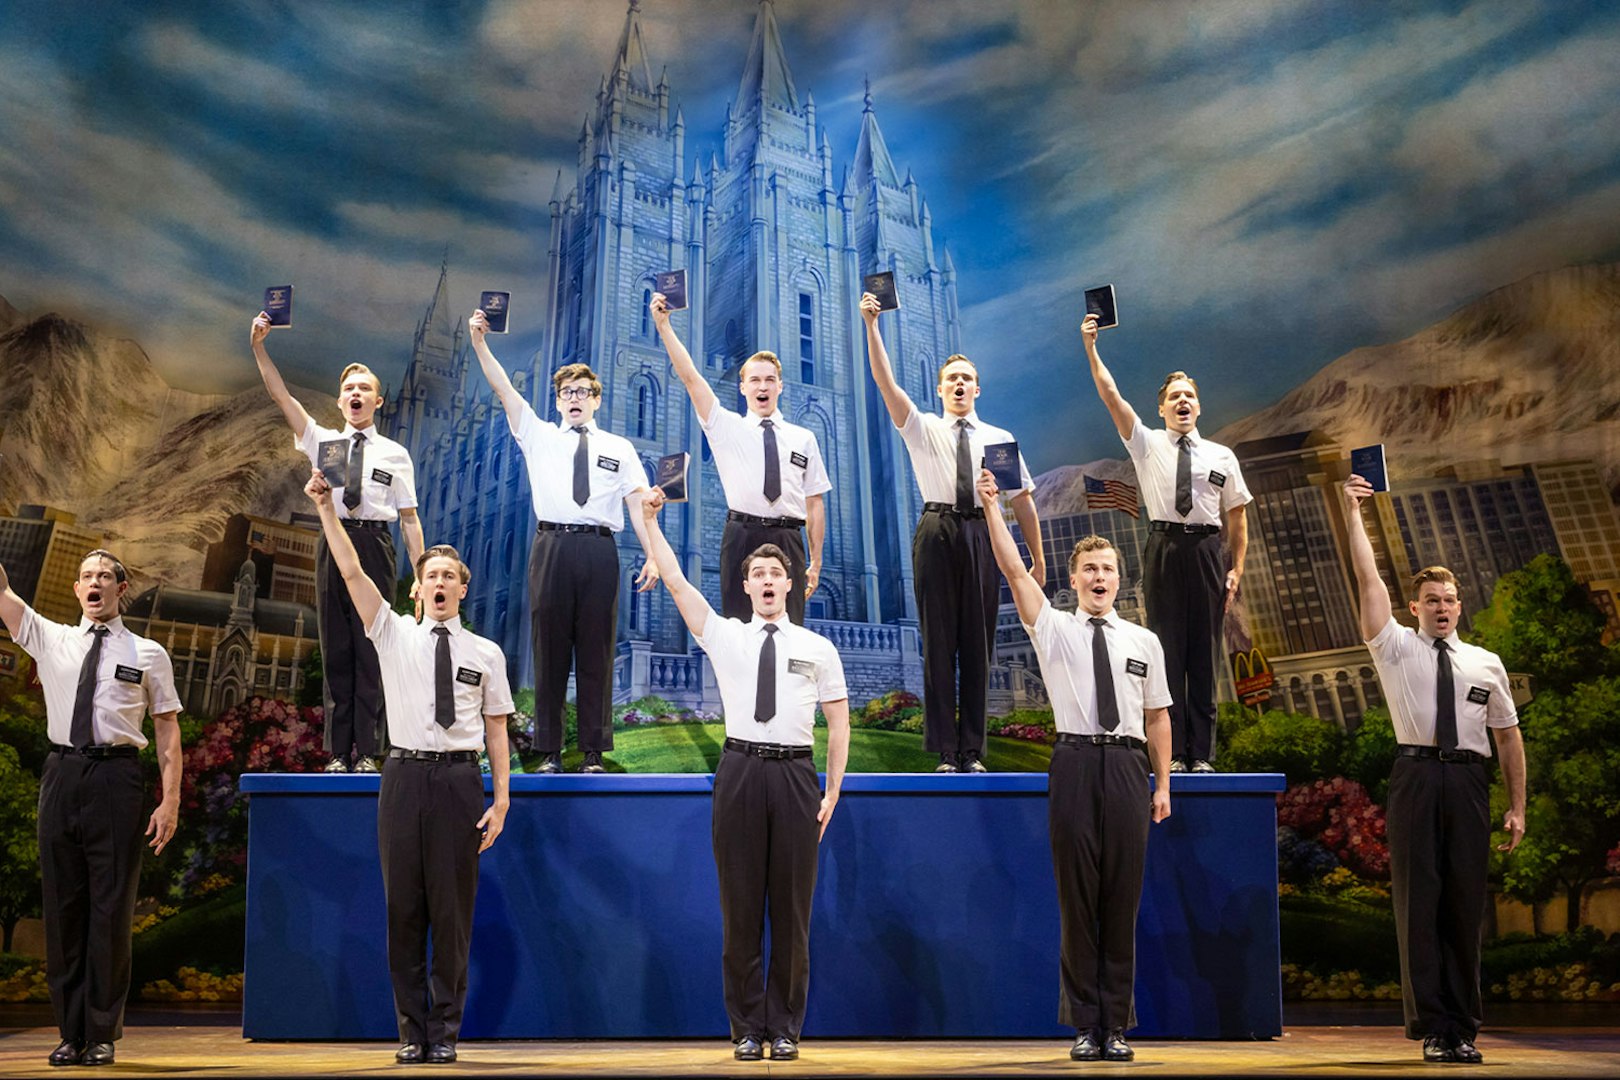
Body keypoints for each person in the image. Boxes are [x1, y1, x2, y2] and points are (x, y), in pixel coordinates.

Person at [304, 469, 512, 1066]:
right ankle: (410, 1031)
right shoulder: (391, 632)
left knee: (452, 914)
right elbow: (350, 572)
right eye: (430, 576)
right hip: (402, 778)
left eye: (450, 576)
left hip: (457, 781)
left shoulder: (486, 654)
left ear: (463, 590)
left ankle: (444, 1032)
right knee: (404, 910)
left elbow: (496, 728)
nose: (440, 582)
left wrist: (500, 800)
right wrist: (325, 511)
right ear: (416, 590)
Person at [639, 490, 850, 1061]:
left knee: (791, 912)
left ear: (789, 584)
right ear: (747, 586)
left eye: (775, 573)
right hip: (739, 771)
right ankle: (747, 1029)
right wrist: (649, 526)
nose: (765, 581)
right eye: (756, 574)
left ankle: (784, 1026)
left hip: (795, 777)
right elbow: (680, 583)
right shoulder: (725, 634)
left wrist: (832, 789)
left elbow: (838, 718)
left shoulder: (817, 647)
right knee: (739, 909)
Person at [978, 469, 1172, 1062]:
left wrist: (1162, 784)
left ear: (1119, 579)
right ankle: (1085, 1024)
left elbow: (1159, 718)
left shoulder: (1145, 642)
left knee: (1121, 896)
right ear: (1073, 579)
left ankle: (1116, 1024)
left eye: (1108, 569)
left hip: (1126, 769)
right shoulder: (1054, 628)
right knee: (1079, 898)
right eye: (1089, 569)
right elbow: (1014, 570)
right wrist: (993, 508)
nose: (1099, 578)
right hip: (1074, 763)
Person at [1341, 473, 1526, 1065]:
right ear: (1414, 608)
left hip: (1470, 782)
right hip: (1417, 777)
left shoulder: (1485, 662)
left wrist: (1517, 806)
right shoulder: (1394, 646)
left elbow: (1508, 736)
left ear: (1458, 605)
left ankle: (1464, 1026)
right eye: (1432, 601)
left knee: (1464, 904)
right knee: (1419, 904)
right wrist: (1354, 512)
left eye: (1450, 600)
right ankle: (1432, 1027)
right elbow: (1369, 578)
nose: (1442, 608)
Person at [0, 550, 181, 1067]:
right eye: (86, 577)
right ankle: (70, 1032)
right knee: (64, 909)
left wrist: (169, 801)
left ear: (121, 588)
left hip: (118, 778)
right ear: (77, 591)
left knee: (110, 910)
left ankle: (101, 1032)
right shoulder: (48, 636)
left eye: (104, 575)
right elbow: (2, 591)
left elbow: (167, 732)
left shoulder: (148, 653)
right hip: (62, 775)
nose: (94, 582)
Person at [467, 310, 659, 774]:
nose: (574, 399)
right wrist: (479, 343)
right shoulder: (538, 435)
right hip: (551, 547)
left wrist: (652, 552)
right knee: (550, 649)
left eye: (582, 392)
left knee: (596, 650)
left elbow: (638, 505)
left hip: (599, 550)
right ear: (556, 401)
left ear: (596, 399)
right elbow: (502, 389)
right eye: (566, 392)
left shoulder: (620, 448)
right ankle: (548, 750)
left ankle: (592, 751)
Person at [860, 291, 1044, 772]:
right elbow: (884, 383)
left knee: (979, 643)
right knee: (939, 642)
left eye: (967, 379)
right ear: (940, 390)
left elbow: (1022, 500)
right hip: (937, 530)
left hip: (985, 532)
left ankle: (973, 750)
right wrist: (872, 327)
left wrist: (1037, 561)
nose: (959, 385)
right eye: (951, 380)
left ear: (977, 389)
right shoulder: (923, 429)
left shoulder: (999, 440)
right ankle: (945, 751)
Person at [251, 312, 425, 772]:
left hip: (375, 547)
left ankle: (369, 751)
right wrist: (259, 348)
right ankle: (338, 752)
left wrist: (422, 574)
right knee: (337, 648)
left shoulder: (396, 454)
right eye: (349, 388)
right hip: (332, 542)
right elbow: (281, 396)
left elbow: (409, 519)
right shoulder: (324, 442)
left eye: (364, 388)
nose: (355, 394)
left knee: (372, 647)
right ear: (339, 399)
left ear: (378, 400)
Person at [1083, 314, 1249, 773]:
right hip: (1163, 550)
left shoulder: (1222, 456)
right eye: (1174, 396)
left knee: (1205, 655)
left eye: (1189, 396)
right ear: (1161, 409)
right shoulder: (1147, 443)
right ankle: (1173, 754)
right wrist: (1092, 347)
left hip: (1207, 553)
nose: (1183, 401)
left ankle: (1203, 755)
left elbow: (1237, 516)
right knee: (1166, 652)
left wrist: (1235, 569)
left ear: (1199, 408)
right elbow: (1111, 396)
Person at [650, 291, 831, 624]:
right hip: (741, 536)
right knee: (739, 634)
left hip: (789, 539)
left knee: (788, 633)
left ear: (780, 387)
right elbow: (691, 377)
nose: (763, 387)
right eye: (755, 380)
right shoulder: (725, 427)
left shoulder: (804, 438)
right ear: (743, 387)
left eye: (770, 380)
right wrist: (664, 327)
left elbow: (815, 503)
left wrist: (816, 562)